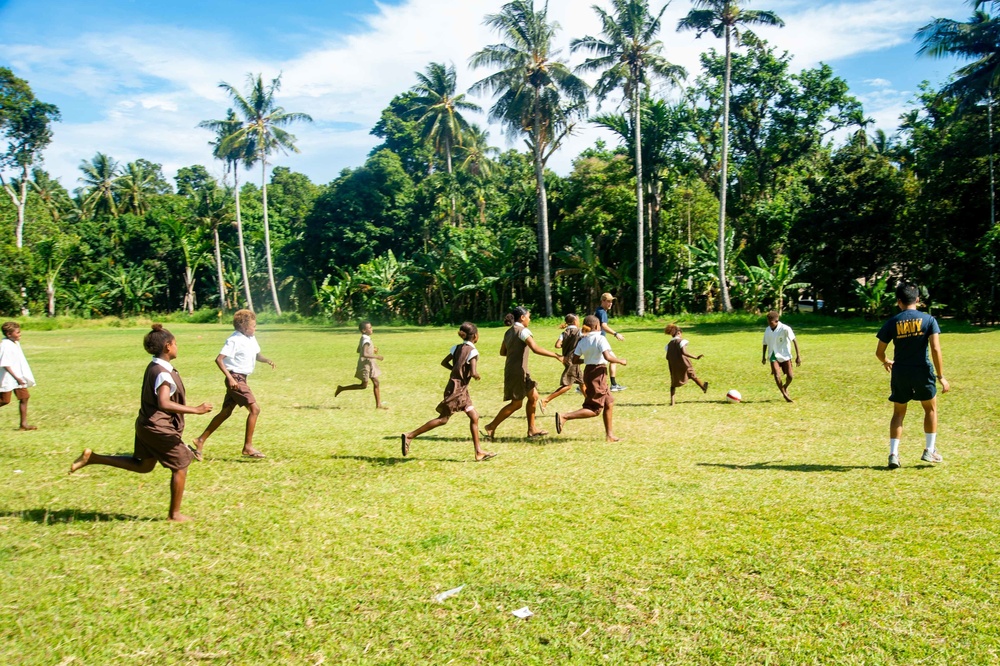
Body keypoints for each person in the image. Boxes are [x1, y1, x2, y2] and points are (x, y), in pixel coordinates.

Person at [69, 324, 213, 522]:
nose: (178, 347)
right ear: (168, 347)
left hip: (146, 425)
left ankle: (93, 458)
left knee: (144, 466)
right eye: (176, 344)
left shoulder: (155, 366)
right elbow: (164, 402)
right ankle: (175, 514)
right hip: (157, 428)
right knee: (181, 464)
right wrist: (196, 410)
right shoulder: (163, 373)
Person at [875, 281, 950, 469]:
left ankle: (893, 454)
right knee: (930, 409)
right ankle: (929, 450)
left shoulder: (892, 322)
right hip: (922, 371)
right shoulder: (929, 320)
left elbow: (879, 352)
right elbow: (935, 348)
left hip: (900, 371)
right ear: (917, 299)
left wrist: (886, 361)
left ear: (898, 301)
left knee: (898, 413)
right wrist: (940, 376)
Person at [401, 322, 495, 461]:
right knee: (443, 419)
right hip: (458, 390)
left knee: (474, 416)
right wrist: (476, 375)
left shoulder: (456, 348)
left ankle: (479, 452)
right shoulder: (473, 352)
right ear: (475, 336)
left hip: (456, 387)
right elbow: (474, 372)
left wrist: (456, 370)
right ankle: (410, 436)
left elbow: (444, 363)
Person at [192, 309, 275, 460]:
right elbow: (219, 359)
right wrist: (230, 378)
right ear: (244, 327)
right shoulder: (234, 340)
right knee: (255, 410)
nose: (255, 329)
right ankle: (248, 447)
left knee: (225, 412)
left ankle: (200, 440)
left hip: (241, 379)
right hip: (236, 379)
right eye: (253, 326)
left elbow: (257, 355)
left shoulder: (251, 338)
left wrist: (267, 360)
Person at [483, 306, 562, 439]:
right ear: (522, 317)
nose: (530, 319)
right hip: (518, 372)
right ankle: (491, 426)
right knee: (516, 404)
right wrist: (556, 355)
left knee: (534, 397)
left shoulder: (508, 332)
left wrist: (514, 352)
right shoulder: (523, 331)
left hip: (515, 370)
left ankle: (532, 429)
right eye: (529, 316)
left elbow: (502, 352)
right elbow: (535, 348)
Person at [555, 315, 627, 442]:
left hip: (589, 371)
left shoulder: (583, 340)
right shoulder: (600, 339)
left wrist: (588, 360)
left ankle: (609, 435)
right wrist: (620, 361)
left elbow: (575, 360)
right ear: (597, 326)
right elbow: (608, 357)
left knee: (609, 402)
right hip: (598, 374)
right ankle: (564, 416)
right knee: (595, 409)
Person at [335, 321, 387, 410]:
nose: (371, 329)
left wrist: (371, 350)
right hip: (365, 365)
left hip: (369, 363)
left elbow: (359, 350)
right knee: (363, 386)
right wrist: (376, 356)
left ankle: (378, 405)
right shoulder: (366, 340)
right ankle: (341, 388)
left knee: (376, 382)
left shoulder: (364, 338)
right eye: (369, 328)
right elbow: (364, 354)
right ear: (364, 330)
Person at [539, 313, 585, 413]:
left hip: (566, 359)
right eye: (578, 319)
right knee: (567, 386)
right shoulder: (579, 331)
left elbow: (557, 345)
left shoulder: (564, 332)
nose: (579, 321)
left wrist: (566, 345)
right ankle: (545, 400)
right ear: (575, 321)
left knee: (582, 382)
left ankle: (589, 403)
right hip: (573, 360)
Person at [0, 321, 36, 430]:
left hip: (18, 377)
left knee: (24, 397)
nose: (20, 334)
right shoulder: (5, 345)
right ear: (9, 334)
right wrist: (17, 378)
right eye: (18, 333)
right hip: (9, 377)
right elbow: (5, 364)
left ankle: (23, 424)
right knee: (4, 400)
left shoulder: (15, 343)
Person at [761, 310, 801, 402]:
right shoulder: (767, 330)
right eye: (768, 322)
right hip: (773, 355)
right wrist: (763, 356)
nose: (769, 324)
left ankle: (785, 387)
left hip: (785, 355)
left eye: (771, 322)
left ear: (777, 320)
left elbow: (794, 340)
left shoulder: (785, 328)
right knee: (777, 375)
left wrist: (798, 356)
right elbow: (765, 343)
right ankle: (784, 394)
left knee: (790, 377)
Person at [665, 324, 709, 406]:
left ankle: (672, 403)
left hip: (674, 366)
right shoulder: (682, 341)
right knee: (693, 376)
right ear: (678, 333)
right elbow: (684, 352)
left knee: (673, 384)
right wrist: (696, 357)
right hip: (685, 364)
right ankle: (703, 387)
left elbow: (667, 357)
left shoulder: (668, 345)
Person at [595, 292, 627, 391]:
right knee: (613, 360)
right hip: (600, 340)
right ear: (602, 301)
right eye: (608, 301)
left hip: (596, 340)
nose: (610, 304)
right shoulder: (602, 312)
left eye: (611, 302)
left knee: (595, 364)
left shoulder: (599, 311)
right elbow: (604, 326)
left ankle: (582, 386)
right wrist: (616, 334)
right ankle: (613, 385)